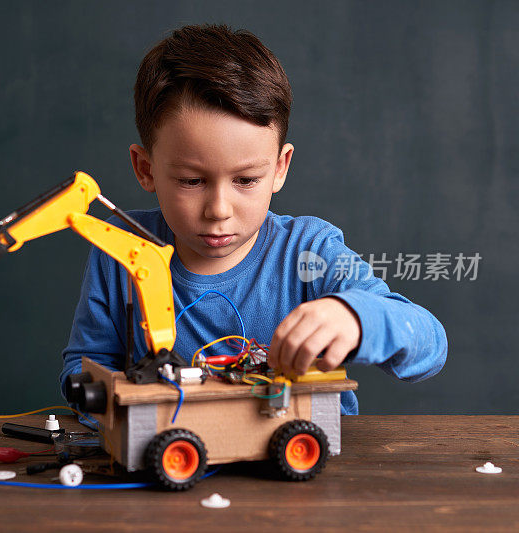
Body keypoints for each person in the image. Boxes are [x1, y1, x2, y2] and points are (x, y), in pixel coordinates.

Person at [60, 24, 447, 415]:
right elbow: (83, 367)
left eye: (246, 180)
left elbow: (430, 345)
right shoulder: (121, 252)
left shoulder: (311, 252)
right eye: (191, 181)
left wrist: (358, 318)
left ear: (280, 168)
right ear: (146, 169)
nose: (219, 209)